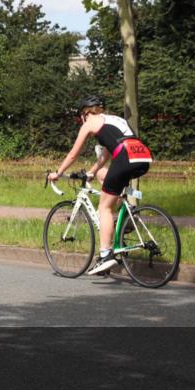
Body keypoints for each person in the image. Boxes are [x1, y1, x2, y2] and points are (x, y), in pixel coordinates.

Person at [47, 96, 153, 276]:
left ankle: (105, 256)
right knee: (105, 175)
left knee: (104, 207)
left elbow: (73, 154)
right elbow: (105, 157)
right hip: (142, 157)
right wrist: (92, 171)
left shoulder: (89, 123)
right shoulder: (115, 119)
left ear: (85, 113)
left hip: (125, 157)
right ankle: (124, 219)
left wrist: (58, 172)